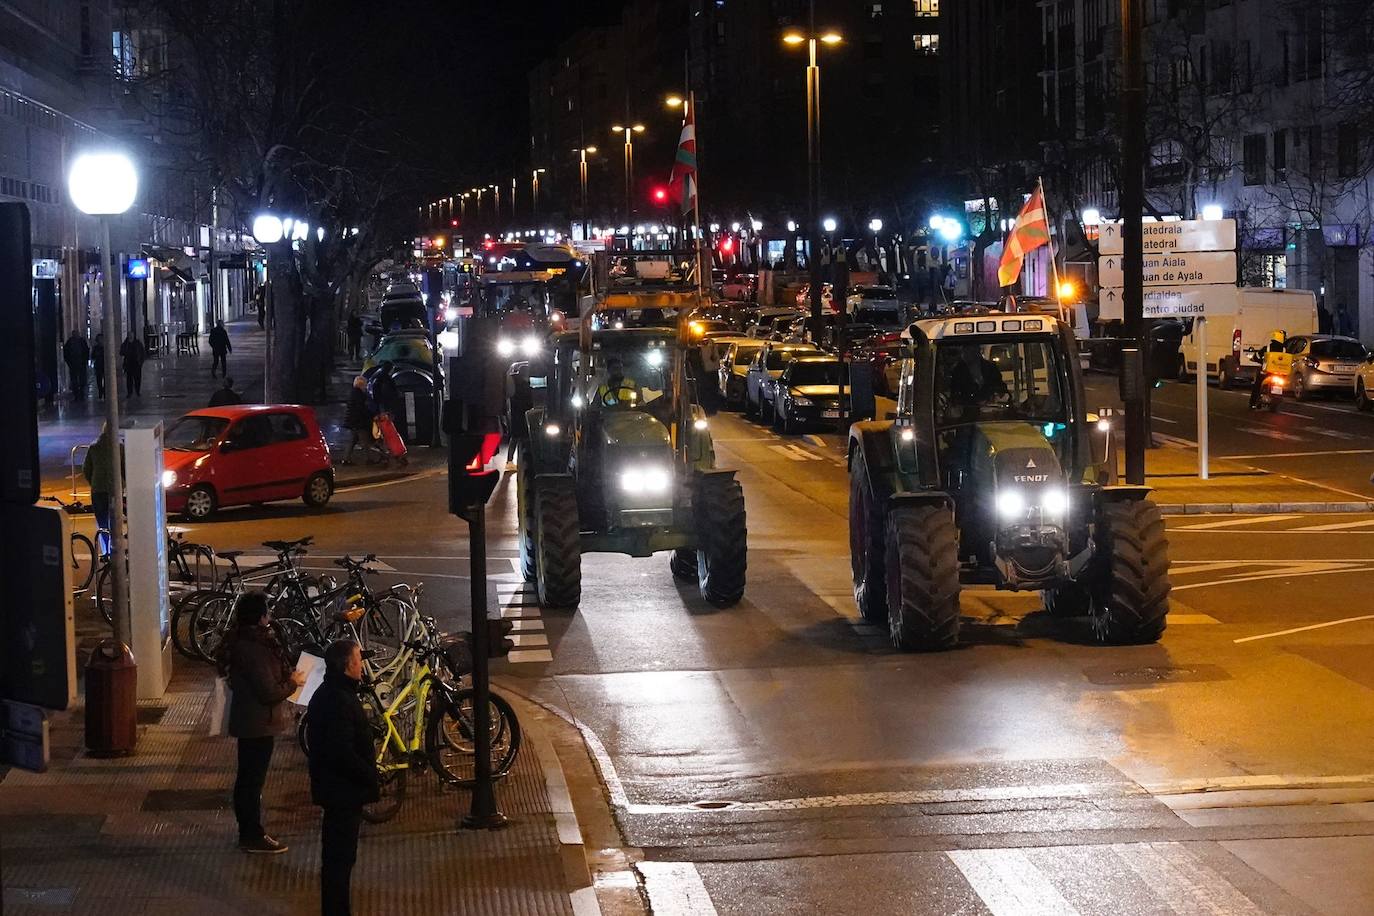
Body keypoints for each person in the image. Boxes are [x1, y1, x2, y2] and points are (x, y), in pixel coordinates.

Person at [217, 591, 303, 855]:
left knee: (248, 778)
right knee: (251, 780)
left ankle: (250, 830)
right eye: (268, 611)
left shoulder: (243, 640)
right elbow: (268, 691)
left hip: (252, 720)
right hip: (257, 722)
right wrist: (293, 683)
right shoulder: (253, 648)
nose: (271, 616)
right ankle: (251, 834)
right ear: (261, 616)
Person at [306, 639, 379, 916]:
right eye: (359, 660)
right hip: (342, 791)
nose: (362, 665)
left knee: (338, 858)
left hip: (337, 789)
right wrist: (369, 774)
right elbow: (342, 751)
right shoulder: (339, 700)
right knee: (339, 859)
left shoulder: (332, 693)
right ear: (348, 666)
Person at [81, 423, 116, 556]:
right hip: (113, 490)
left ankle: (105, 550)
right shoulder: (118, 448)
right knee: (114, 519)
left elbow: (86, 469)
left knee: (101, 522)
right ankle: (114, 549)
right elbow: (125, 468)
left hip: (97, 490)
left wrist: (94, 482)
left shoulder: (94, 447)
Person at [948, 344, 1009, 411]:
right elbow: (954, 392)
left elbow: (1000, 386)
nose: (966, 354)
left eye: (971, 351)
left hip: (991, 409)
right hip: (968, 410)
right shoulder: (958, 370)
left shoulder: (990, 367)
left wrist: (998, 395)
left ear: (977, 352)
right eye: (965, 351)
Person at [340, 376, 379, 465]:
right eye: (365, 385)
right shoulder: (359, 395)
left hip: (352, 421)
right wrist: (372, 416)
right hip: (358, 421)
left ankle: (345, 459)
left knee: (352, 440)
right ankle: (369, 459)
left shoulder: (353, 393)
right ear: (362, 385)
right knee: (365, 441)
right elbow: (362, 409)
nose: (366, 387)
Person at [1250, 330, 1289, 409]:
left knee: (1257, 385)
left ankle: (1253, 403)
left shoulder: (1267, 348)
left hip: (1266, 372)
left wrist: (1258, 360)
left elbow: (1256, 356)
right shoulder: (1285, 350)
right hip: (1279, 373)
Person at [63, 330, 89, 401]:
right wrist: (69, 362)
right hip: (74, 364)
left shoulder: (81, 341)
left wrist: (85, 360)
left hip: (80, 363)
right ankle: (77, 394)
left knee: (81, 379)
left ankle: (81, 393)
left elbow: (86, 351)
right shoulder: (70, 342)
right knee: (75, 379)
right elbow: (66, 352)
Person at [120, 332, 146, 397]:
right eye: (129, 335)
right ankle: (130, 392)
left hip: (137, 363)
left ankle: (137, 391)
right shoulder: (125, 344)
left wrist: (141, 362)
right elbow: (121, 352)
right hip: (128, 363)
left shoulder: (138, 343)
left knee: (137, 378)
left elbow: (142, 352)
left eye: (132, 335)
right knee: (129, 379)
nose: (131, 336)